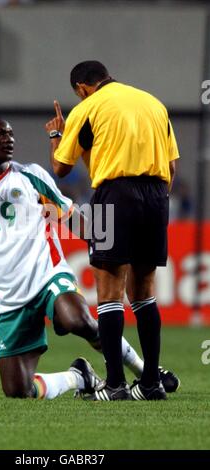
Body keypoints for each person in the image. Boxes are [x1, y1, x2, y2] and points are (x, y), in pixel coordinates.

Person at [0, 117, 178, 400]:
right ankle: (79, 377)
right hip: (7, 295)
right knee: (18, 391)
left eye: (11, 134)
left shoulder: (30, 176)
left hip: (46, 274)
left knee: (79, 321)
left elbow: (69, 216)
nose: (8, 139)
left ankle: (145, 370)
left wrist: (111, 241)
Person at [45, 61, 180, 401]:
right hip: (156, 195)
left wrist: (56, 135)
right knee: (144, 293)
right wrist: (153, 200)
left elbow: (61, 168)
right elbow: (172, 165)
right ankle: (150, 383)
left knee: (108, 292)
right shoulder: (153, 103)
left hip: (112, 196)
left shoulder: (86, 108)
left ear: (81, 88)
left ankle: (116, 385)